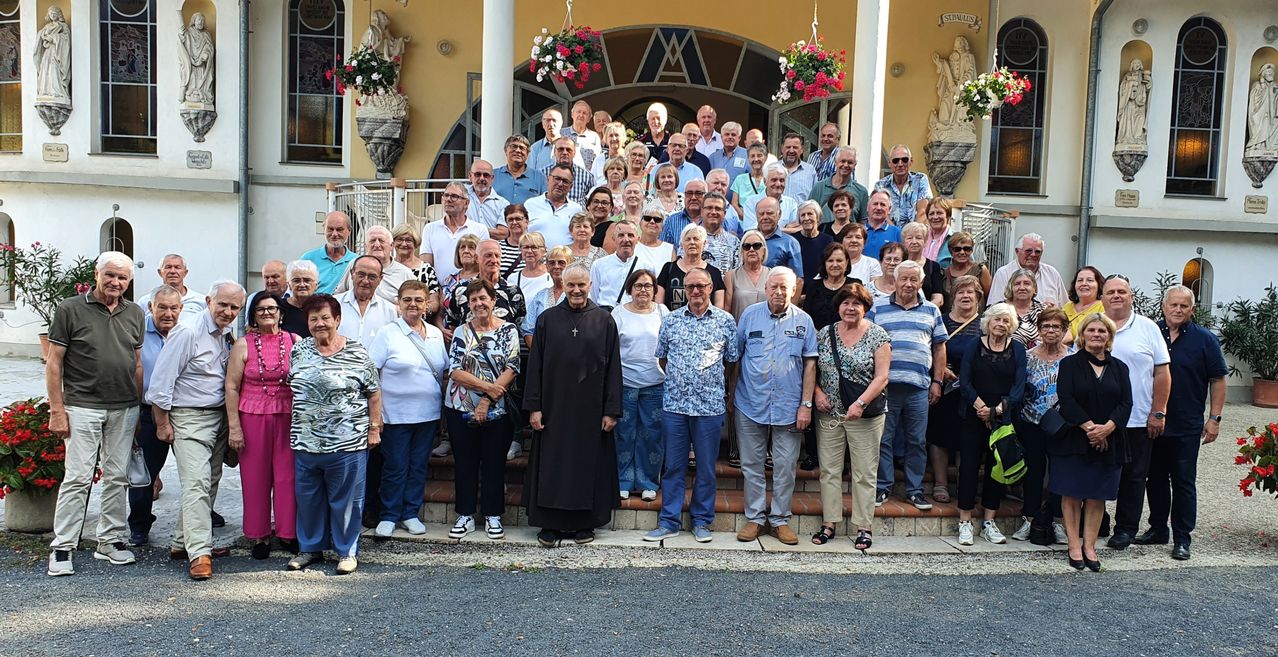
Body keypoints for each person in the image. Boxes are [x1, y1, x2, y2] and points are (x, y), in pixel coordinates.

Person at [45, 252, 146, 577]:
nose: (116, 282)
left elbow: (138, 363)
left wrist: (138, 406)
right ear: (97, 274)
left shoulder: (134, 313)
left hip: (124, 408)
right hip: (81, 406)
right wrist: (57, 410)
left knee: (118, 477)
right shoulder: (70, 309)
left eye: (123, 278)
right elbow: (54, 362)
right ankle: (63, 546)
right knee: (77, 478)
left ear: (129, 282)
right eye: (111, 275)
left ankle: (110, 542)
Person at [147, 280, 246, 581]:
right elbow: (160, 383)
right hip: (189, 417)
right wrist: (162, 423)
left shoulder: (227, 334)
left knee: (211, 480)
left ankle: (181, 543)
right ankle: (200, 553)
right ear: (208, 301)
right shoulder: (187, 332)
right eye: (223, 305)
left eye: (234, 307)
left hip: (218, 416)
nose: (228, 312)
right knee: (196, 483)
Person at [523, 265, 622, 547]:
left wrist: (611, 409)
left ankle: (584, 523)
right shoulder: (546, 320)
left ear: (590, 284)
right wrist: (534, 407)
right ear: (562, 285)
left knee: (586, 465)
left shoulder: (605, 321)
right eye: (571, 286)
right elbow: (535, 366)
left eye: (581, 285)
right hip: (553, 409)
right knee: (552, 465)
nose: (576, 291)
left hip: (591, 412)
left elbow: (614, 366)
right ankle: (550, 524)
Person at [285, 294, 381, 574]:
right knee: (308, 499)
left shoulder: (357, 352)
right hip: (305, 440)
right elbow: (293, 386)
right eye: (313, 319)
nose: (319, 323)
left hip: (347, 442)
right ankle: (310, 549)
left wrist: (374, 428)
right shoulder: (299, 350)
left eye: (325, 317)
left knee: (347, 501)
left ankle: (346, 551)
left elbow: (373, 393)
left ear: (337, 320)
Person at [645, 268, 739, 543]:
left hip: (709, 407)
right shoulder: (671, 320)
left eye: (701, 286)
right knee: (673, 466)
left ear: (711, 287)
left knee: (707, 468)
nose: (695, 291)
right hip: (675, 405)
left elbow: (731, 361)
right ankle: (669, 521)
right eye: (690, 287)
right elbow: (662, 359)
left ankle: (701, 521)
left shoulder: (725, 321)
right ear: (683, 290)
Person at [1137, 285, 1227, 560]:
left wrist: (1214, 418)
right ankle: (1157, 529)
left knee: (1183, 481)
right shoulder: (1152, 333)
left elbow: (1218, 379)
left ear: (1192, 309)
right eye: (1173, 305)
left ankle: (1182, 538)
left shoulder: (1205, 340)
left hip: (1186, 424)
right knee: (1155, 479)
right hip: (1153, 420)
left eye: (1183, 306)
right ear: (1164, 307)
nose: (1177, 310)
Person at [732, 268, 817, 546]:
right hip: (750, 402)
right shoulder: (749, 316)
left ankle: (780, 520)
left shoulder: (804, 321)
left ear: (794, 291)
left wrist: (806, 405)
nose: (779, 292)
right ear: (766, 289)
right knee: (751, 465)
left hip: (790, 407)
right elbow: (736, 357)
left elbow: (810, 365)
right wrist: (730, 396)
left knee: (785, 465)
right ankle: (755, 518)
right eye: (774, 287)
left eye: (785, 288)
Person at [811, 283, 891, 550]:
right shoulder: (824, 334)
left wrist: (860, 403)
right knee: (830, 471)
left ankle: (863, 526)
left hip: (864, 415)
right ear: (838, 306)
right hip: (829, 413)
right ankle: (829, 523)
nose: (851, 308)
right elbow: (812, 368)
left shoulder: (878, 335)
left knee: (864, 473)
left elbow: (882, 377)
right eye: (846, 303)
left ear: (865, 307)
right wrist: (817, 393)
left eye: (856, 303)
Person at [1053, 312, 1133, 571]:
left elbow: (1126, 403)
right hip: (1076, 437)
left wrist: (1107, 429)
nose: (1096, 335)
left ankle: (1090, 546)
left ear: (1109, 337)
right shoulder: (1069, 364)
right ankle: (1073, 545)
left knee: (1098, 495)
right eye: (1092, 330)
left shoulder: (1120, 367)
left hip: (1110, 439)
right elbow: (1066, 399)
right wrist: (1090, 429)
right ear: (1082, 334)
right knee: (1073, 493)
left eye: (1102, 331)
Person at [367, 280, 448, 538]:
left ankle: (411, 513)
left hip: (428, 413)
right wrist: (375, 415)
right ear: (399, 303)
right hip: (395, 415)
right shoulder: (387, 333)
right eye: (407, 300)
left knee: (418, 465)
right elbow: (371, 373)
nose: (413, 304)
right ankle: (389, 515)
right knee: (396, 466)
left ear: (427, 304)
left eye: (419, 300)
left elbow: (443, 369)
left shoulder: (435, 334)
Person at [444, 279, 521, 541]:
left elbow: (512, 367)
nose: (478, 303)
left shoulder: (509, 329)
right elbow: (455, 371)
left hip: (497, 410)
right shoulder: (460, 332)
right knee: (465, 461)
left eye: (483, 298)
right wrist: (487, 388)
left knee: (494, 462)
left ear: (493, 300)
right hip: (460, 407)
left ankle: (492, 515)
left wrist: (487, 399)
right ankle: (464, 515)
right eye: (473, 299)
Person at [869, 260, 948, 511]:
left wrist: (937, 381)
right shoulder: (878, 307)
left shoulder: (931, 311)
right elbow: (867, 343)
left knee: (916, 440)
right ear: (895, 280)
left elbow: (939, 347)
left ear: (921, 282)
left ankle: (914, 491)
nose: (908, 283)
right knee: (884, 439)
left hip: (918, 387)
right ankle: (883, 487)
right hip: (886, 387)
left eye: (914, 279)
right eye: (904, 278)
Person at [224, 292, 298, 560]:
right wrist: (234, 426)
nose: (267, 313)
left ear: (280, 312)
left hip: (288, 417)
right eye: (260, 309)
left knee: (287, 476)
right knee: (255, 478)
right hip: (252, 416)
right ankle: (260, 535)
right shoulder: (243, 344)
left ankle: (288, 532)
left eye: (272, 308)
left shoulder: (295, 341)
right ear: (253, 315)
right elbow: (231, 387)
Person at [1103, 274, 1171, 551]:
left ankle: (1126, 529)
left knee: (1133, 477)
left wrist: (1159, 411)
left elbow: (1162, 372)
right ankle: (1097, 522)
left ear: (1132, 296)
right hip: (1100, 420)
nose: (1116, 296)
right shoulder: (1095, 326)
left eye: (1122, 291)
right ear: (1103, 297)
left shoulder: (1148, 328)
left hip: (1137, 419)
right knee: (1099, 472)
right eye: (1111, 292)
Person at [955, 302, 1027, 545]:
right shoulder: (974, 344)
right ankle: (964, 521)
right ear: (988, 322)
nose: (1001, 324)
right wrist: (981, 408)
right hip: (973, 415)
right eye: (997, 319)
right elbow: (964, 381)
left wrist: (995, 411)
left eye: (1006, 321)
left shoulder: (1018, 349)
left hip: (1002, 418)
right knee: (969, 466)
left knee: (998, 468)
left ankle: (989, 521)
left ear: (1012, 325)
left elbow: (1018, 389)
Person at [128, 286, 182, 547]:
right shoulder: (137, 332)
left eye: (174, 308)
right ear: (150, 307)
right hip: (147, 412)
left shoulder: (186, 333)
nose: (168, 313)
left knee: (197, 471)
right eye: (162, 307)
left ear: (181, 309)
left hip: (183, 413)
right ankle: (139, 525)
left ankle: (204, 515)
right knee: (144, 474)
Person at [925, 274, 983, 505]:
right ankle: (940, 483)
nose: (966, 296)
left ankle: (963, 482)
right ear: (953, 296)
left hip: (974, 390)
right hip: (945, 386)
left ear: (978, 296)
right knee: (940, 436)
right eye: (961, 292)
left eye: (970, 292)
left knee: (967, 439)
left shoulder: (986, 323)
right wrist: (939, 372)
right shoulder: (941, 320)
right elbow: (927, 348)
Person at [1016, 308, 1072, 545]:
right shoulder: (1027, 356)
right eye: (1046, 326)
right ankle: (1029, 519)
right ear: (1038, 330)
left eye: (1056, 327)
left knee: (1059, 473)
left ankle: (1058, 522)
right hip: (1031, 422)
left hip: (1061, 425)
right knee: (1034, 472)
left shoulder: (1072, 358)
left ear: (1064, 330)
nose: (1050, 331)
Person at [613, 269, 668, 502]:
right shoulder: (618, 314)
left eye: (648, 285)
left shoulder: (663, 312)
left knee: (651, 435)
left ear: (655, 289)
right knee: (623, 434)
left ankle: (647, 482)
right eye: (638, 285)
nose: (643, 290)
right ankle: (623, 481)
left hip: (655, 384)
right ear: (629, 289)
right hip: (625, 384)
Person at [421, 182, 491, 284]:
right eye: (446, 195)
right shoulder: (430, 228)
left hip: (472, 291)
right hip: (439, 292)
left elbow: (484, 264)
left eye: (454, 196)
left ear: (466, 203)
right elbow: (426, 266)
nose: (448, 199)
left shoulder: (479, 230)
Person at [334, 225, 416, 304]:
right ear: (366, 246)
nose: (377, 245)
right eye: (372, 241)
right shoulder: (354, 264)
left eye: (381, 240)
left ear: (391, 246)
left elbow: (414, 303)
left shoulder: (405, 273)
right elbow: (339, 294)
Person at [987, 233, 1068, 308]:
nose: (1033, 254)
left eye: (1037, 251)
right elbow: (995, 308)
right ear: (1017, 251)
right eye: (1028, 251)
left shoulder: (1052, 274)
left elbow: (1065, 307)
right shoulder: (1003, 273)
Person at [657, 225, 725, 311]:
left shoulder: (714, 273)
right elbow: (659, 305)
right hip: (672, 322)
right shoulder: (668, 269)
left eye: (696, 239)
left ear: (704, 244)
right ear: (681, 244)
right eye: (688, 239)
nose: (692, 242)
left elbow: (719, 308)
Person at [335, 256, 397, 345]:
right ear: (352, 274)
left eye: (372, 277)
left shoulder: (389, 310)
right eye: (361, 275)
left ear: (380, 279)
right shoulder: (334, 304)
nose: (365, 281)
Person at [521, 246, 571, 347]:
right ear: (547, 267)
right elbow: (528, 330)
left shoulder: (578, 295)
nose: (556, 266)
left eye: (561, 262)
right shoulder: (540, 296)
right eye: (552, 263)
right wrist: (539, 355)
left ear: (570, 265)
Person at [390, 224, 443, 318]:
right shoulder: (388, 267)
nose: (403, 244)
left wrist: (415, 310)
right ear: (393, 243)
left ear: (416, 244)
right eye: (399, 239)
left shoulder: (427, 270)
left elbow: (434, 303)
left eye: (408, 240)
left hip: (420, 321)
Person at [527, 163, 585, 247]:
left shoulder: (576, 209)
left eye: (565, 181)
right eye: (557, 179)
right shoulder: (530, 204)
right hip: (535, 257)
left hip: (565, 258)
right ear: (548, 179)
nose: (560, 184)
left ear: (571, 187)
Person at [300, 212, 359, 295]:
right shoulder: (308, 259)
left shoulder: (357, 261)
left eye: (339, 229)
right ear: (324, 229)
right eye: (330, 229)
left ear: (349, 231)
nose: (334, 234)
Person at [873, 144, 933, 224]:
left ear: (911, 161)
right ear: (889, 163)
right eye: (895, 161)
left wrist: (912, 234)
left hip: (916, 232)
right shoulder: (880, 185)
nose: (900, 164)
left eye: (904, 159)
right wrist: (896, 234)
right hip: (890, 234)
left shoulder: (920, 180)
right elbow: (882, 215)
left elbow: (923, 212)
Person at [138, 254, 207, 322]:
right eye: (168, 267)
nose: (172, 271)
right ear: (160, 272)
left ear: (185, 273)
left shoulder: (201, 301)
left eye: (177, 267)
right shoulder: (145, 301)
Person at [808, 146, 867, 225]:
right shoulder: (819, 187)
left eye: (850, 162)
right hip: (823, 235)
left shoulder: (861, 192)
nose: (846, 165)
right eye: (842, 161)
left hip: (849, 236)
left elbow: (863, 222)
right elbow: (809, 214)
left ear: (855, 165)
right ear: (835, 162)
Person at [803, 243, 854, 331]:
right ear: (824, 264)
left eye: (839, 260)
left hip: (848, 337)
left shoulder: (854, 285)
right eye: (830, 261)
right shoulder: (813, 286)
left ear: (847, 263)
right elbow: (807, 317)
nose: (834, 265)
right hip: (817, 338)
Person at [590, 220, 640, 309]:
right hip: (606, 317)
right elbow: (594, 297)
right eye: (621, 235)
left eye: (630, 235)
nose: (626, 239)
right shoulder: (599, 265)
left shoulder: (646, 266)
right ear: (614, 239)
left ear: (637, 239)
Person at [755, 197, 805, 285]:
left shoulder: (790, 243)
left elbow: (798, 280)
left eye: (770, 213)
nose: (765, 217)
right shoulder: (747, 241)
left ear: (779, 214)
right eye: (761, 214)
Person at [438, 235, 482, 333]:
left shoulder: (483, 279)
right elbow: (440, 311)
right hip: (448, 336)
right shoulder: (449, 280)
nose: (466, 251)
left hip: (474, 335)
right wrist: (442, 329)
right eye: (462, 247)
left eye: (471, 247)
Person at [725, 230, 770, 320]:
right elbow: (727, 311)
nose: (751, 250)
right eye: (746, 246)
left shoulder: (772, 275)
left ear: (764, 251)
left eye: (757, 246)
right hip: (740, 331)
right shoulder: (731, 275)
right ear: (742, 252)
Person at [941, 231, 992, 311]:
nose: (962, 252)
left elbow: (990, 298)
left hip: (976, 320)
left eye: (966, 249)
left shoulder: (980, 270)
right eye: (957, 249)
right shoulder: (943, 273)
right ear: (951, 251)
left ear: (971, 251)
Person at [900, 222, 946, 307]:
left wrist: (922, 310)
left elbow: (938, 298)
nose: (914, 242)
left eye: (918, 238)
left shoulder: (933, 266)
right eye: (909, 238)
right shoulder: (898, 265)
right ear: (903, 242)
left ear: (925, 242)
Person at [493, 134, 546, 205]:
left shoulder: (539, 178)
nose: (518, 150)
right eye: (514, 146)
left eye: (522, 148)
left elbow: (546, 204)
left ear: (527, 154)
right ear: (506, 151)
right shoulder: (493, 176)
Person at [741, 165, 798, 231]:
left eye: (782, 180)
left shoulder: (791, 203)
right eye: (774, 180)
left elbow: (796, 229)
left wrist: (764, 229)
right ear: (765, 182)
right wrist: (785, 229)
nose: (778, 184)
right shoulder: (751, 202)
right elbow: (751, 231)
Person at [466, 159, 511, 240]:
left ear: (492, 179)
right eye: (477, 174)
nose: (482, 178)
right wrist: (490, 231)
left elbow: (503, 233)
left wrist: (472, 230)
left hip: (491, 250)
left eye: (486, 175)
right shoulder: (462, 197)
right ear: (470, 176)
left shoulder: (503, 204)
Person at [541, 137, 595, 205]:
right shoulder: (542, 174)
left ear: (574, 153)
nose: (565, 152)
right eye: (561, 149)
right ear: (554, 152)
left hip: (576, 214)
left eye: (569, 150)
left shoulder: (587, 176)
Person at [793, 200, 834, 286]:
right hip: (797, 287)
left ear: (818, 217)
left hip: (820, 288)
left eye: (810, 214)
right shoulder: (793, 240)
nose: (806, 218)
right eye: (803, 215)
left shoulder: (828, 240)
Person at [700, 192, 741, 272]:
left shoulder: (734, 242)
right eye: (709, 208)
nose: (713, 212)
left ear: (724, 213)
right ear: (702, 212)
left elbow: (737, 274)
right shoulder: (690, 239)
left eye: (718, 209)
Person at [1003, 268, 1044, 348]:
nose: (1022, 288)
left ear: (1034, 288)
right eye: (1017, 284)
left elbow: (1067, 335)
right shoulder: (999, 310)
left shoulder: (1043, 311)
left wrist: (1047, 341)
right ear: (1011, 288)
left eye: (1027, 283)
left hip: (1037, 357)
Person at [1064, 266, 1105, 344]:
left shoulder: (1103, 307)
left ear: (1098, 284)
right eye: (1080, 280)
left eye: (1089, 280)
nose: (1083, 284)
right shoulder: (1067, 306)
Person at [507, 232, 552, 302]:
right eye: (526, 247)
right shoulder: (513, 278)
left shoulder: (552, 275)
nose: (529, 251)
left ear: (543, 251)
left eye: (534, 247)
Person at [280, 260, 319, 337]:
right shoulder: (279, 307)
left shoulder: (323, 307)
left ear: (316, 285)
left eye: (307, 280)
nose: (302, 284)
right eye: (296, 281)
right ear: (289, 285)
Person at [730, 143, 769, 219]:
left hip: (765, 220)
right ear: (748, 158)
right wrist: (745, 217)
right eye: (752, 156)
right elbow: (734, 203)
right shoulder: (740, 179)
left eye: (759, 155)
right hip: (743, 221)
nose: (756, 159)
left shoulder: (770, 179)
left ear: (766, 157)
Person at [562, 100, 602, 171]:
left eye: (584, 113)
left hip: (586, 179)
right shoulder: (561, 134)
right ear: (572, 114)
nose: (581, 115)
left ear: (589, 118)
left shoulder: (594, 137)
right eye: (578, 112)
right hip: (565, 178)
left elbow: (597, 162)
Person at [863, 190, 902, 261]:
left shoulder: (897, 233)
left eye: (882, 204)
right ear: (867, 207)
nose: (878, 208)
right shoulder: (858, 232)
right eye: (875, 204)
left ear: (889, 209)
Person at [778, 133, 818, 203]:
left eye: (795, 147)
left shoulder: (810, 171)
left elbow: (815, 199)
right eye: (788, 147)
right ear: (782, 149)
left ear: (802, 150)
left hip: (801, 213)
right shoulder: (772, 169)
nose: (791, 151)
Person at [633, 209, 675, 275]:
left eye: (657, 219)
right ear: (640, 223)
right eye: (647, 218)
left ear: (662, 226)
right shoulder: (632, 245)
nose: (652, 221)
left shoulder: (670, 249)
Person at [528, 108, 566, 174]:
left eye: (554, 120)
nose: (551, 124)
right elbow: (530, 174)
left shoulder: (570, 147)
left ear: (561, 123)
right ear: (543, 124)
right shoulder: (535, 148)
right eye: (548, 120)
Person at [498, 204, 531, 277]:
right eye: (510, 220)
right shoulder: (498, 248)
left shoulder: (537, 247)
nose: (514, 222)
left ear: (527, 221)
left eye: (518, 219)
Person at [584, 185, 621, 249]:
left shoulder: (613, 227)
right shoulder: (582, 225)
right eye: (596, 201)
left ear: (611, 208)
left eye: (605, 203)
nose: (600, 206)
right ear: (588, 205)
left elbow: (607, 255)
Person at [921, 198, 955, 266]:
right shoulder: (922, 238)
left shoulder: (956, 239)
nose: (935, 217)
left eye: (939, 213)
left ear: (948, 216)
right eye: (931, 213)